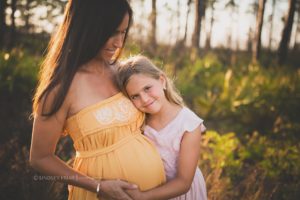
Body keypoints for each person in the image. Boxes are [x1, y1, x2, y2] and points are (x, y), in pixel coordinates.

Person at [29, 1, 166, 200]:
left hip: (156, 190)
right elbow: (40, 158)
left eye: (123, 32)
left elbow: (160, 108)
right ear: (86, 29)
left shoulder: (122, 73)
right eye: (111, 32)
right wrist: (99, 187)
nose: (118, 43)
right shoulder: (60, 89)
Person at [117, 55, 207, 200]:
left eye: (147, 88)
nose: (145, 99)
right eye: (135, 96)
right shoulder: (138, 121)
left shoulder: (188, 124)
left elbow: (184, 183)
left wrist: (143, 197)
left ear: (162, 81)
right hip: (152, 188)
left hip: (180, 194)